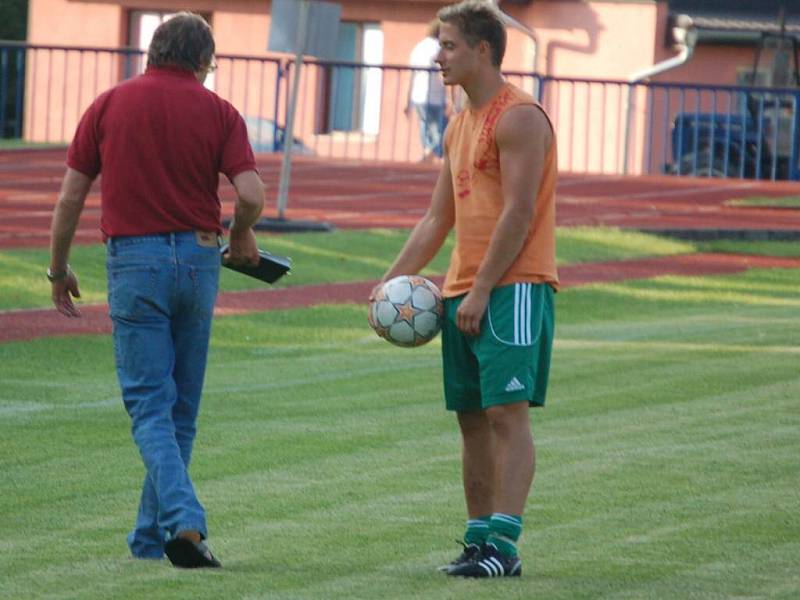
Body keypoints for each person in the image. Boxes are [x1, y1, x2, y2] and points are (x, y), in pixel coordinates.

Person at [48, 13, 264, 569]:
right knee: (180, 408)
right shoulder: (220, 112)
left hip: (135, 262)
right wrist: (240, 232)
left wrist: (58, 268)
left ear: (151, 52)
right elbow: (252, 192)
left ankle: (184, 521)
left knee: (148, 405)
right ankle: (151, 539)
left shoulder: (108, 104)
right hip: (198, 258)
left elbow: (71, 198)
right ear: (203, 61)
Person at [372, 0, 558, 578]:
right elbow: (436, 219)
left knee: (507, 416)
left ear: (483, 49)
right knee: (472, 421)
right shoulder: (458, 123)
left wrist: (481, 290)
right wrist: (387, 284)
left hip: (513, 288)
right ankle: (479, 541)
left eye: (449, 45)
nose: (438, 56)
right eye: (438, 45)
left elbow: (519, 214)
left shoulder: (520, 117)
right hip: (461, 291)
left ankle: (505, 547)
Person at [406, 20, 449, 161]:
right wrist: (450, 98)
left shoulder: (418, 48)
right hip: (436, 96)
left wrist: (407, 101)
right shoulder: (439, 49)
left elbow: (410, 75)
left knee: (426, 127)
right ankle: (432, 155)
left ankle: (428, 153)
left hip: (418, 96)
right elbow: (443, 74)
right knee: (440, 128)